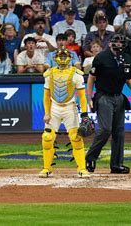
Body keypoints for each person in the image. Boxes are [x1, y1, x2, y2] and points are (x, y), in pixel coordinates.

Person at [85, 34, 131, 174]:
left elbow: (129, 77)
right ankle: (90, 157)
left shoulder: (127, 59)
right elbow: (91, 79)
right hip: (104, 96)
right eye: (116, 41)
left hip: (119, 97)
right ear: (110, 43)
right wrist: (89, 98)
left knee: (119, 132)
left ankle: (116, 164)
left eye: (121, 42)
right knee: (105, 129)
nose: (118, 44)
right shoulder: (101, 58)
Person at [39, 49, 90, 178]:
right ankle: (46, 168)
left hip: (70, 108)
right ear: (55, 58)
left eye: (64, 56)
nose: (62, 58)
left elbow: (83, 97)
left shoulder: (76, 74)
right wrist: (46, 113)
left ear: (70, 58)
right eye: (60, 56)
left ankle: (82, 168)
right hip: (53, 107)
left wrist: (84, 114)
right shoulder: (49, 74)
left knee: (76, 138)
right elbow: (46, 96)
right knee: (47, 138)